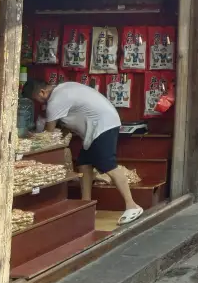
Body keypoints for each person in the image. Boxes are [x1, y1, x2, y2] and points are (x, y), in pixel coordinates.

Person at [23, 79, 144, 225]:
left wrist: (34, 138)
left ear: (42, 92)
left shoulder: (55, 101)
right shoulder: (64, 88)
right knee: (84, 162)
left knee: (108, 164)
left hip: (102, 126)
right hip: (101, 125)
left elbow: (49, 135)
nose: (40, 104)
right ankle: (87, 205)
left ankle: (132, 205)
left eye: (37, 99)